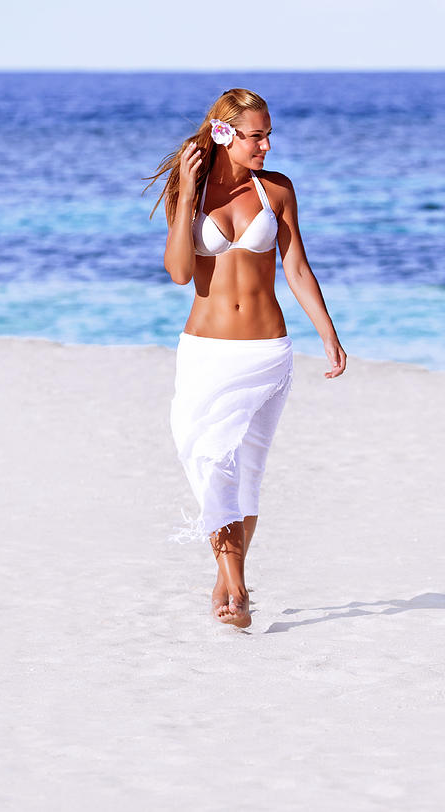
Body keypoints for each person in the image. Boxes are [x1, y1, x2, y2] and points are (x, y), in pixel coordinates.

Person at [147, 88, 346, 628]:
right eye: (257, 136)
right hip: (206, 354)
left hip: (266, 352)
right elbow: (180, 272)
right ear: (223, 133)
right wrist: (188, 190)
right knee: (211, 463)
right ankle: (234, 582)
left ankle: (229, 583)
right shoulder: (188, 192)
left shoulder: (277, 190)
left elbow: (297, 269)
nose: (266, 145)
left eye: (268, 135)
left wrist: (327, 333)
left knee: (247, 474)